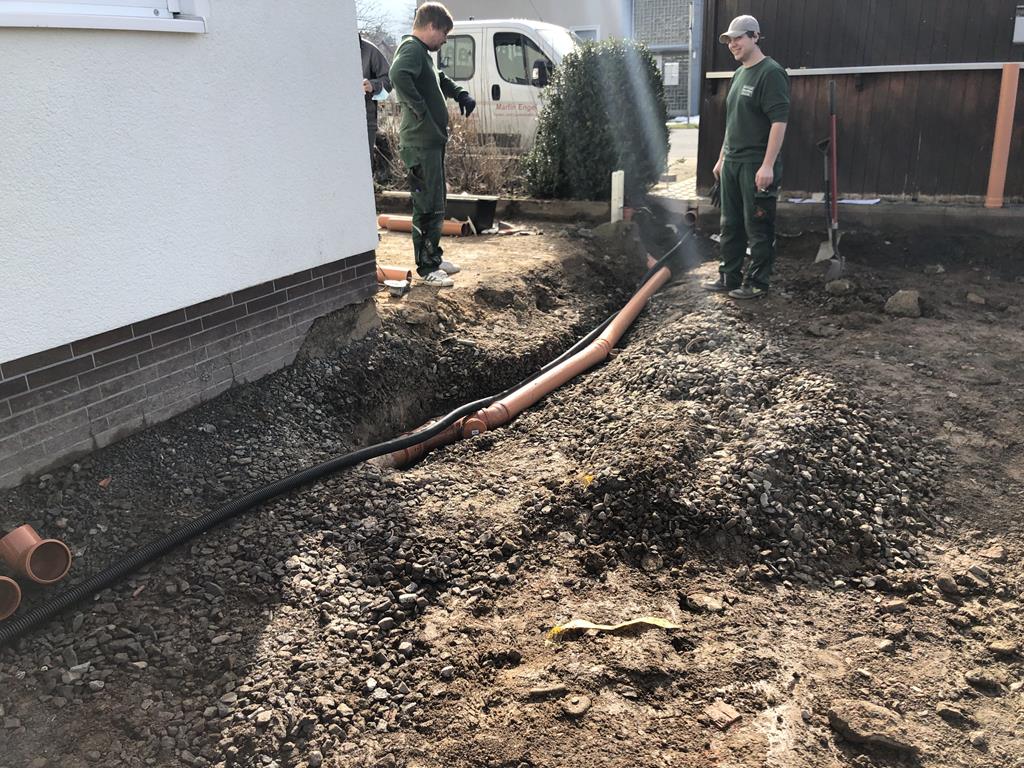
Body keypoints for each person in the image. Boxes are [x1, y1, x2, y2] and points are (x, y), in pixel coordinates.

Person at [388, 2, 475, 288]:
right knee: (426, 205)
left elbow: (439, 79)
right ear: (431, 26)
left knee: (436, 202)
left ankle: (434, 258)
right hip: (420, 144)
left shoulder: (423, 54)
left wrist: (460, 94)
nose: (445, 40)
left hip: (430, 142)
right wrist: (420, 110)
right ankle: (426, 268)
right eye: (444, 34)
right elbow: (397, 74)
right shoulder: (412, 49)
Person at [703, 15, 789, 300]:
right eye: (729, 40)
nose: (733, 44)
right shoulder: (739, 74)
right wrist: (721, 158)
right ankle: (729, 276)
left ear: (755, 36)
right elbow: (732, 123)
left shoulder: (771, 73)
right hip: (732, 162)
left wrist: (767, 165)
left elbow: (779, 122)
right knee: (730, 223)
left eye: (738, 38)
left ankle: (757, 283)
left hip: (755, 164)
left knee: (758, 225)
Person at [360, 35, 393, 166]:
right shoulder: (328, 46)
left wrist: (373, 85)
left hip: (365, 122)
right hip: (332, 121)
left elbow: (389, 80)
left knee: (362, 167)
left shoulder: (370, 50)